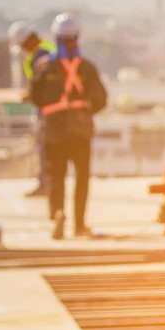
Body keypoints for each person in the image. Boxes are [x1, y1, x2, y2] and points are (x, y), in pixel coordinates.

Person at [29, 12, 107, 239]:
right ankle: (80, 224)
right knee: (82, 177)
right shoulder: (87, 67)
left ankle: (58, 214)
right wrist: (84, 111)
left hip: (54, 130)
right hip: (80, 129)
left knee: (55, 176)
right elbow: (101, 99)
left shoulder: (45, 66)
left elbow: (35, 96)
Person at [9, 20, 56, 197]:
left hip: (46, 111)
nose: (22, 49)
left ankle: (46, 184)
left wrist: (30, 95)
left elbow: (41, 86)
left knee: (45, 148)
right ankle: (48, 183)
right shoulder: (47, 49)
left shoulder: (40, 55)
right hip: (51, 109)